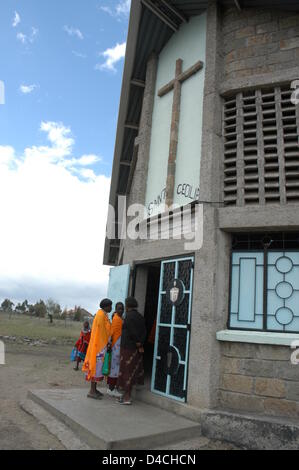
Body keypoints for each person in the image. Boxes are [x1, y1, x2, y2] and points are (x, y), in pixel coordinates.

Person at [117, 297, 146, 405]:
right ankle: (126, 395)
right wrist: (140, 343)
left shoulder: (128, 317)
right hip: (136, 349)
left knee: (126, 371)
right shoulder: (140, 317)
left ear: (127, 306)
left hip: (128, 348)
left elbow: (132, 332)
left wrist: (137, 342)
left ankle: (127, 397)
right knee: (133, 370)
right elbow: (144, 331)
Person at [82, 298, 112, 400]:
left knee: (98, 369)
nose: (111, 308)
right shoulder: (100, 315)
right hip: (99, 346)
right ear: (105, 306)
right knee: (95, 368)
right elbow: (102, 332)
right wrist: (107, 342)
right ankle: (92, 391)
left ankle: (94, 389)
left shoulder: (103, 314)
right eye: (110, 306)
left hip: (100, 345)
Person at [106, 302, 124, 397]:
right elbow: (112, 332)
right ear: (116, 309)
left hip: (118, 345)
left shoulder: (119, 318)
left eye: (122, 308)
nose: (121, 310)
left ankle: (112, 388)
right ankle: (111, 389)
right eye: (119, 308)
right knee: (114, 368)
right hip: (116, 346)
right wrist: (109, 344)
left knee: (116, 367)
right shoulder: (117, 319)